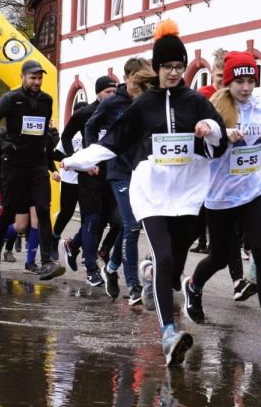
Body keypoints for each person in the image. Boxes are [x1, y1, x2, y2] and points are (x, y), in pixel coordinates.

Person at [64, 19, 229, 364]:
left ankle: (153, 274)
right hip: (151, 190)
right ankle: (168, 333)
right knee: (165, 257)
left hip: (187, 192)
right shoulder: (144, 105)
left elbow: (219, 136)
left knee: (176, 258)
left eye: (179, 66)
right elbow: (114, 140)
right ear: (156, 68)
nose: (173, 72)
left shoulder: (195, 101)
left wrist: (208, 129)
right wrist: (75, 161)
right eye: (167, 66)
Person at [183, 51, 261, 348]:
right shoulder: (215, 109)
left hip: (253, 189)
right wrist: (213, 132)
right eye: (239, 82)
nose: (246, 88)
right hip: (220, 195)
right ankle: (193, 286)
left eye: (251, 81)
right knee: (220, 257)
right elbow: (201, 144)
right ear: (229, 82)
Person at [0, 59, 62, 280]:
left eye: (40, 78)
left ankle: (46, 261)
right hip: (14, 165)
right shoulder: (10, 99)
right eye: (33, 78)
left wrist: (49, 159)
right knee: (8, 213)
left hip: (36, 165)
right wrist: (2, 142)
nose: (37, 82)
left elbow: (44, 132)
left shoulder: (47, 100)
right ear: (23, 77)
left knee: (43, 210)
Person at [87, 59, 154, 304]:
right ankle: (134, 286)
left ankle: (111, 268)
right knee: (132, 226)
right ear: (127, 78)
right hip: (119, 171)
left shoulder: (149, 100)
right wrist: (93, 157)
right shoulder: (113, 102)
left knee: (130, 226)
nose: (141, 87)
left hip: (144, 169)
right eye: (138, 82)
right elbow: (90, 126)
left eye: (146, 82)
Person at [62, 75, 120, 287]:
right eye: (107, 92)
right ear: (98, 93)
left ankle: (72, 245)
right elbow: (66, 137)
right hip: (89, 174)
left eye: (114, 92)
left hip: (111, 174)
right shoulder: (85, 113)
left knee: (106, 221)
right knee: (92, 221)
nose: (111, 96)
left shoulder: (118, 113)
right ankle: (91, 268)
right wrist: (78, 161)